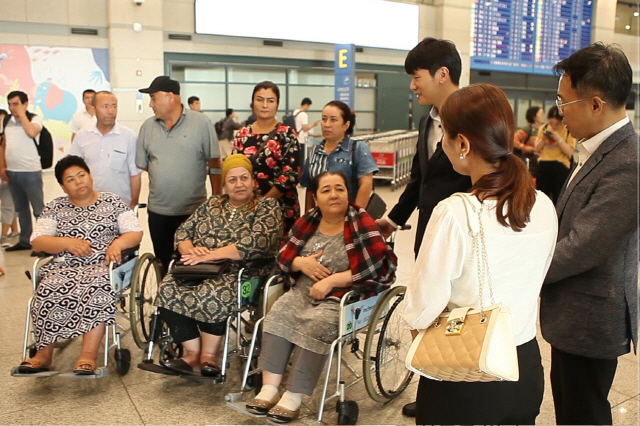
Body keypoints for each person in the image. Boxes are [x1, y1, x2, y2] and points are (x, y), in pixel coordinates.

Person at [401, 83, 557, 425]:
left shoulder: (455, 213)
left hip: (466, 372)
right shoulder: (542, 204)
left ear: (463, 144)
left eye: (445, 132)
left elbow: (421, 309)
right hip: (524, 367)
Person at [246, 171, 396, 423]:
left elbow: (377, 266)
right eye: (326, 190)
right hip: (301, 291)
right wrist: (300, 262)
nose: (334, 194)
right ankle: (269, 389)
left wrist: (333, 280)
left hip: (342, 297)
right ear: (315, 198)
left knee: (316, 325)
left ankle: (293, 397)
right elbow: (283, 255)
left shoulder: (362, 222)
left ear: (348, 194)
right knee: (278, 314)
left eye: (339, 188)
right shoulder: (308, 221)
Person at [373, 37, 472, 417]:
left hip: (461, 238)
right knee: (429, 314)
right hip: (427, 233)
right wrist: (393, 219)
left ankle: (457, 395)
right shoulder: (427, 121)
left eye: (417, 77)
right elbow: (419, 180)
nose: (412, 86)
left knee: (457, 316)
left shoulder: (473, 116)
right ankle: (432, 394)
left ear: (442, 74)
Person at [541, 42, 638, 426]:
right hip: (573, 314)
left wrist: (521, 269)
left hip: (592, 317)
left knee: (584, 413)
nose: (561, 113)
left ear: (595, 104)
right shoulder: (597, 150)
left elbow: (585, 246)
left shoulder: (628, 162)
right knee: (570, 406)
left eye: (565, 102)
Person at [155, 154, 282, 376]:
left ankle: (209, 356)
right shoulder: (211, 204)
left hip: (242, 273)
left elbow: (259, 242)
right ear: (224, 185)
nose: (239, 184)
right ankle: (193, 354)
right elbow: (184, 231)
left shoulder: (266, 206)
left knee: (212, 292)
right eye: (232, 180)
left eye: (244, 178)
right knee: (168, 288)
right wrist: (189, 250)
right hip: (198, 267)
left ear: (253, 181)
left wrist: (211, 255)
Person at [16, 155, 143, 375]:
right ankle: (43, 355)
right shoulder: (55, 207)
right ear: (63, 186)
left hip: (103, 266)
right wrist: (65, 242)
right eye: (71, 179)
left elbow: (135, 232)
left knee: (96, 287)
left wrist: (118, 243)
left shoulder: (112, 201)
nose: (78, 182)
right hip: (64, 266)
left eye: (81, 175)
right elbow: (38, 240)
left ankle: (88, 356)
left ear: (90, 175)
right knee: (47, 288)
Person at [136, 76, 222, 273]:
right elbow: (144, 164)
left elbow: (215, 163)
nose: (150, 104)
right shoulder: (148, 127)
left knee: (192, 265)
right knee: (163, 264)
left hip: (193, 212)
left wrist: (217, 199)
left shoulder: (201, 123)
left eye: (153, 98)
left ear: (170, 97)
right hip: (159, 213)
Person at [233, 81, 301, 236]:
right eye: (260, 99)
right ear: (253, 103)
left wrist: (261, 204)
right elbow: (233, 168)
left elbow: (291, 175)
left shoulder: (286, 133)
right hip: (246, 209)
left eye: (270, 101)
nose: (265, 105)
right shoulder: (243, 134)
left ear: (277, 104)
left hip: (280, 208)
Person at [69, 91, 142, 209]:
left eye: (114, 106)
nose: (110, 111)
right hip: (88, 204)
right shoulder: (83, 135)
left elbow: (135, 174)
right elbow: (72, 169)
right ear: (94, 109)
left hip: (120, 205)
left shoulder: (128, 136)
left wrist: (134, 204)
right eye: (105, 106)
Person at [300, 100, 377, 211]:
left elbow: (366, 184)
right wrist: (308, 220)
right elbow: (310, 189)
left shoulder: (357, 148)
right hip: (321, 220)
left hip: (348, 218)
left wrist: (356, 217)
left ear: (346, 125)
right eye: (324, 119)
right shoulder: (315, 152)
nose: (327, 124)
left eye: (333, 120)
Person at [0, 91, 45, 252]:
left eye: (16, 104)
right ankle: (25, 240)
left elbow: (32, 132)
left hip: (31, 171)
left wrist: (21, 114)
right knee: (21, 209)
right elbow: (3, 145)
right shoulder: (6, 120)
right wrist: (3, 167)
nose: (12, 108)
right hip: (12, 172)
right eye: (10, 104)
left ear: (25, 104)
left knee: (38, 209)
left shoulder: (34, 119)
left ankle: (42, 243)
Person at [534, 106, 576, 202]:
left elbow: (570, 152)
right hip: (544, 165)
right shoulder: (544, 128)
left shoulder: (567, 130)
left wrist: (558, 138)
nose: (553, 125)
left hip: (560, 166)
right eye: (551, 122)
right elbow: (536, 149)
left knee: (559, 197)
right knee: (542, 197)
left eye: (556, 123)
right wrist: (543, 139)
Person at [0, 108, 19, 247]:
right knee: (9, 205)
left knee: (9, 204)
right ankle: (13, 230)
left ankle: (4, 234)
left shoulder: (10, 139)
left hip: (8, 175)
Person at [513, 105, 544, 177]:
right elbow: (514, 140)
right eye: (541, 114)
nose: (544, 116)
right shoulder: (527, 129)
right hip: (531, 160)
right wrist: (524, 147)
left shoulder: (544, 129)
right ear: (534, 117)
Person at [292, 97, 319, 165]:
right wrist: (313, 124)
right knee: (301, 160)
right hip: (301, 140)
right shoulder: (303, 115)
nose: (308, 108)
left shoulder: (295, 112)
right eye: (309, 106)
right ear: (306, 104)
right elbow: (305, 128)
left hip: (294, 139)